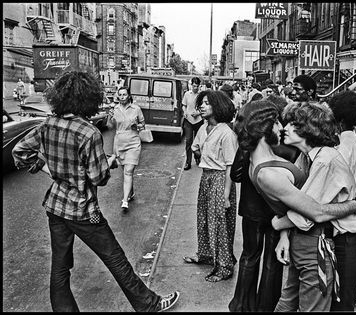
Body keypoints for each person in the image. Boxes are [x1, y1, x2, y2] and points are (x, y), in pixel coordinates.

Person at [11, 71, 179, 312]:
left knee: (59, 268)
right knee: (115, 258)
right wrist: (108, 163)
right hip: (83, 209)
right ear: (87, 99)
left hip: (56, 206)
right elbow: (98, 178)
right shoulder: (88, 132)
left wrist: (49, 170)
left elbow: (21, 152)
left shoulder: (48, 124)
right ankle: (148, 305)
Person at [234, 100, 356, 311]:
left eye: (290, 123)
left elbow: (306, 212)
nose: (283, 127)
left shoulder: (321, 159)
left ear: (306, 129)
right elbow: (311, 213)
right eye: (279, 122)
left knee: (332, 304)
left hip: (341, 238)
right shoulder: (304, 159)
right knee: (305, 303)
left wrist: (281, 228)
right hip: (314, 239)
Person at [228, 96, 300, 312]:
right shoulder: (290, 149)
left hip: (252, 211)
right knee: (272, 262)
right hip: (279, 214)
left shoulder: (251, 147)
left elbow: (236, 174)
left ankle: (241, 304)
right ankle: (266, 307)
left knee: (250, 256)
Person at [184, 90, 238, 282]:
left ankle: (224, 266)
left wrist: (226, 195)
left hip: (221, 179)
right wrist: (196, 152)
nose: (202, 106)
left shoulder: (226, 133)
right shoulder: (203, 128)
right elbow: (197, 150)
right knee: (204, 218)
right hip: (206, 178)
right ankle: (207, 255)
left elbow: (230, 164)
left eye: (206, 103)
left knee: (219, 224)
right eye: (201, 103)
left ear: (218, 106)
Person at [327, 91, 356, 311]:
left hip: (348, 235)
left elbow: (332, 187)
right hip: (351, 233)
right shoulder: (354, 140)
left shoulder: (343, 147)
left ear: (340, 119)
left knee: (342, 304)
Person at [106, 86, 145, 212]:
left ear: (129, 96)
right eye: (120, 95)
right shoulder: (115, 109)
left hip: (133, 142)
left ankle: (125, 200)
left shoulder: (136, 109)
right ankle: (131, 193)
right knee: (126, 171)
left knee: (128, 170)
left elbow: (143, 125)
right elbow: (110, 126)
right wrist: (109, 117)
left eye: (124, 94)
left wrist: (137, 126)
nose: (122, 97)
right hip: (119, 143)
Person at [182, 77, 204, 170]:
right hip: (188, 121)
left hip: (198, 121)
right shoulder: (187, 94)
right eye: (193, 86)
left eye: (197, 86)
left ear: (199, 86)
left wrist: (198, 113)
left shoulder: (201, 95)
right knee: (188, 141)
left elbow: (204, 108)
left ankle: (197, 157)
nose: (195, 88)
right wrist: (185, 112)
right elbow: (184, 105)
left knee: (198, 142)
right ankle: (188, 162)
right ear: (191, 85)